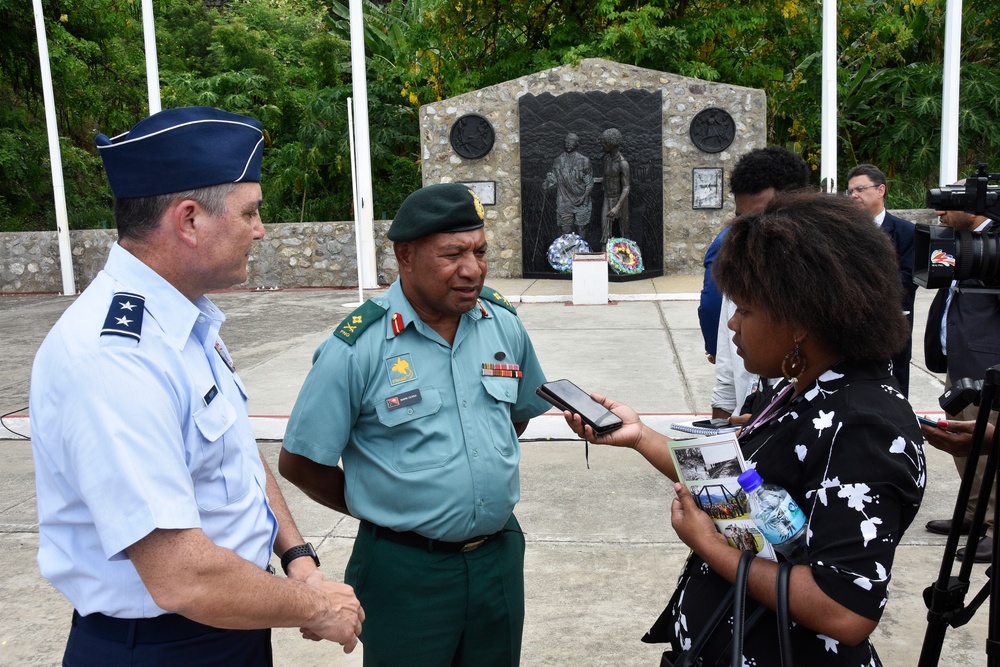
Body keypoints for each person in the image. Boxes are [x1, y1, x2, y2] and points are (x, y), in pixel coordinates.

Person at [29, 106, 364, 666]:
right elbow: (180, 576)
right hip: (160, 647)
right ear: (188, 220)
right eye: (249, 212)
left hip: (229, 626)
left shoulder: (186, 322)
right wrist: (312, 606)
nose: (260, 230)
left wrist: (298, 557)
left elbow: (234, 461)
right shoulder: (116, 358)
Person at [565, 192, 926, 665]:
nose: (732, 324)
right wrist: (639, 436)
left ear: (800, 321)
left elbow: (845, 610)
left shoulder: (862, 426)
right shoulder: (801, 388)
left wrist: (710, 546)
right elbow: (733, 481)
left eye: (747, 310)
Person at [279, 183, 550, 666]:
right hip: (405, 570)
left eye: (480, 251)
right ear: (405, 255)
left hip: (497, 559)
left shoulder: (502, 324)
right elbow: (300, 462)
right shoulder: (357, 346)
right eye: (452, 255)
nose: (472, 269)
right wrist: (385, 505)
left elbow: (515, 420)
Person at [920, 195, 999, 562]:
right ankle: (972, 514)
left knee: (989, 448)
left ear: (974, 208)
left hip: (988, 368)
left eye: (949, 205)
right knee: (962, 444)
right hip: (960, 361)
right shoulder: (966, 245)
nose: (940, 213)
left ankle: (995, 526)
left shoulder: (995, 244)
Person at [707, 147, 810, 420]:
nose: (751, 232)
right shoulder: (740, 270)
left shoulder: (825, 288)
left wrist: (772, 425)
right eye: (742, 220)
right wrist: (720, 430)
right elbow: (728, 370)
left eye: (764, 219)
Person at [845, 164, 917, 396]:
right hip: (850, 327)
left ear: (880, 190)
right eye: (851, 191)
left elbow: (908, 280)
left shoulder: (906, 232)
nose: (854, 195)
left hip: (892, 326)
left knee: (894, 388)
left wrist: (862, 282)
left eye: (860, 189)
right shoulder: (844, 231)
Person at [543, 132, 594, 235]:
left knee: (582, 228)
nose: (568, 144)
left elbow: (589, 182)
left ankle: (581, 250)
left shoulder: (584, 161)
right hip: (564, 201)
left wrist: (584, 196)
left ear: (577, 144)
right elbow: (552, 181)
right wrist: (548, 180)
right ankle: (567, 250)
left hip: (581, 200)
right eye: (566, 142)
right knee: (566, 230)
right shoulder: (558, 161)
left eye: (571, 142)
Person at [599, 128, 630, 243]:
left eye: (604, 143)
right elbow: (607, 177)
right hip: (607, 198)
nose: (602, 146)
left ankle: (627, 259)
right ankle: (605, 259)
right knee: (605, 234)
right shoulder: (606, 159)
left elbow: (626, 187)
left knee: (624, 232)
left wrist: (617, 207)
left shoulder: (623, 163)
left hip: (620, 200)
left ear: (611, 144)